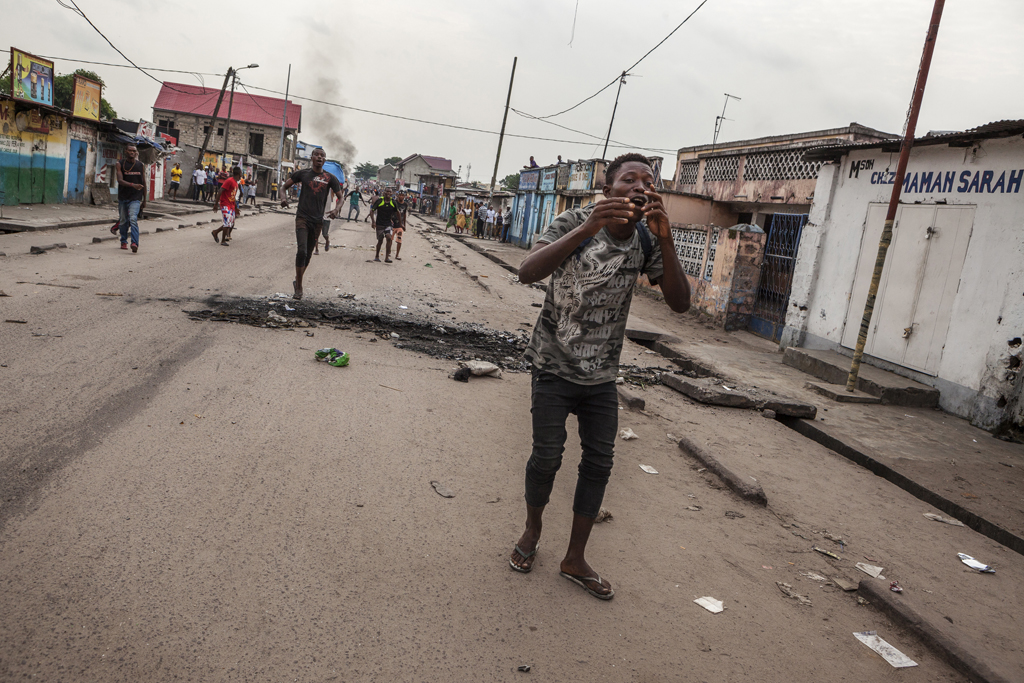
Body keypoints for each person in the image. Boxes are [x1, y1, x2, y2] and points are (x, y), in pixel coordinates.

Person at [507, 153, 691, 600]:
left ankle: (575, 557)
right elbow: (527, 271)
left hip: (602, 375)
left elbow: (680, 304)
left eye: (647, 180)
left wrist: (666, 241)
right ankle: (532, 532)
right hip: (553, 364)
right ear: (607, 189)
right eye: (628, 179)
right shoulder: (573, 220)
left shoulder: (647, 238)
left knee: (599, 464)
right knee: (546, 457)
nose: (638, 186)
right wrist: (588, 228)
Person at [279, 148, 343, 299]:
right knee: (301, 251)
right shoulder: (303, 174)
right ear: (312, 158)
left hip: (317, 221)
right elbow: (283, 187)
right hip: (302, 218)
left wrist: (336, 210)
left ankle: (297, 280)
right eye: (317, 155)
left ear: (325, 160)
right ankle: (299, 287)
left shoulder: (330, 178)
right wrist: (283, 198)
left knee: (307, 255)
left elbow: (341, 197)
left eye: (322, 156)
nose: (319, 157)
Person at [115, 144, 146, 253]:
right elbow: (120, 180)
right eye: (130, 150)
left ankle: (134, 243)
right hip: (123, 197)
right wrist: (133, 185)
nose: (132, 152)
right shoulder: (120, 164)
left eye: (134, 151)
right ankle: (123, 240)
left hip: (135, 198)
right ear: (126, 151)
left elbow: (144, 183)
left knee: (133, 219)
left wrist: (145, 200)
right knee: (123, 221)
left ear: (136, 152)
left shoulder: (140, 165)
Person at [369, 187, 403, 263]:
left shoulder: (393, 202)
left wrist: (400, 224)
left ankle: (387, 257)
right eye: (387, 191)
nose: (388, 193)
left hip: (388, 224)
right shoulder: (379, 201)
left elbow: (398, 213)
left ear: (391, 193)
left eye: (390, 192)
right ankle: (377, 256)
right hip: (379, 224)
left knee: (388, 237)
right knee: (380, 241)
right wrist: (373, 222)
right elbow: (372, 211)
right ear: (384, 192)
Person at [211, 166, 241, 245]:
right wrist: (216, 204)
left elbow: (233, 197)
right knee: (227, 223)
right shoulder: (229, 181)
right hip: (225, 204)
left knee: (230, 223)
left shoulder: (236, 184)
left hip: (231, 205)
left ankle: (215, 232)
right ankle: (223, 240)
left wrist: (236, 208)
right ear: (238, 174)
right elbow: (220, 190)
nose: (241, 176)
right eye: (240, 174)